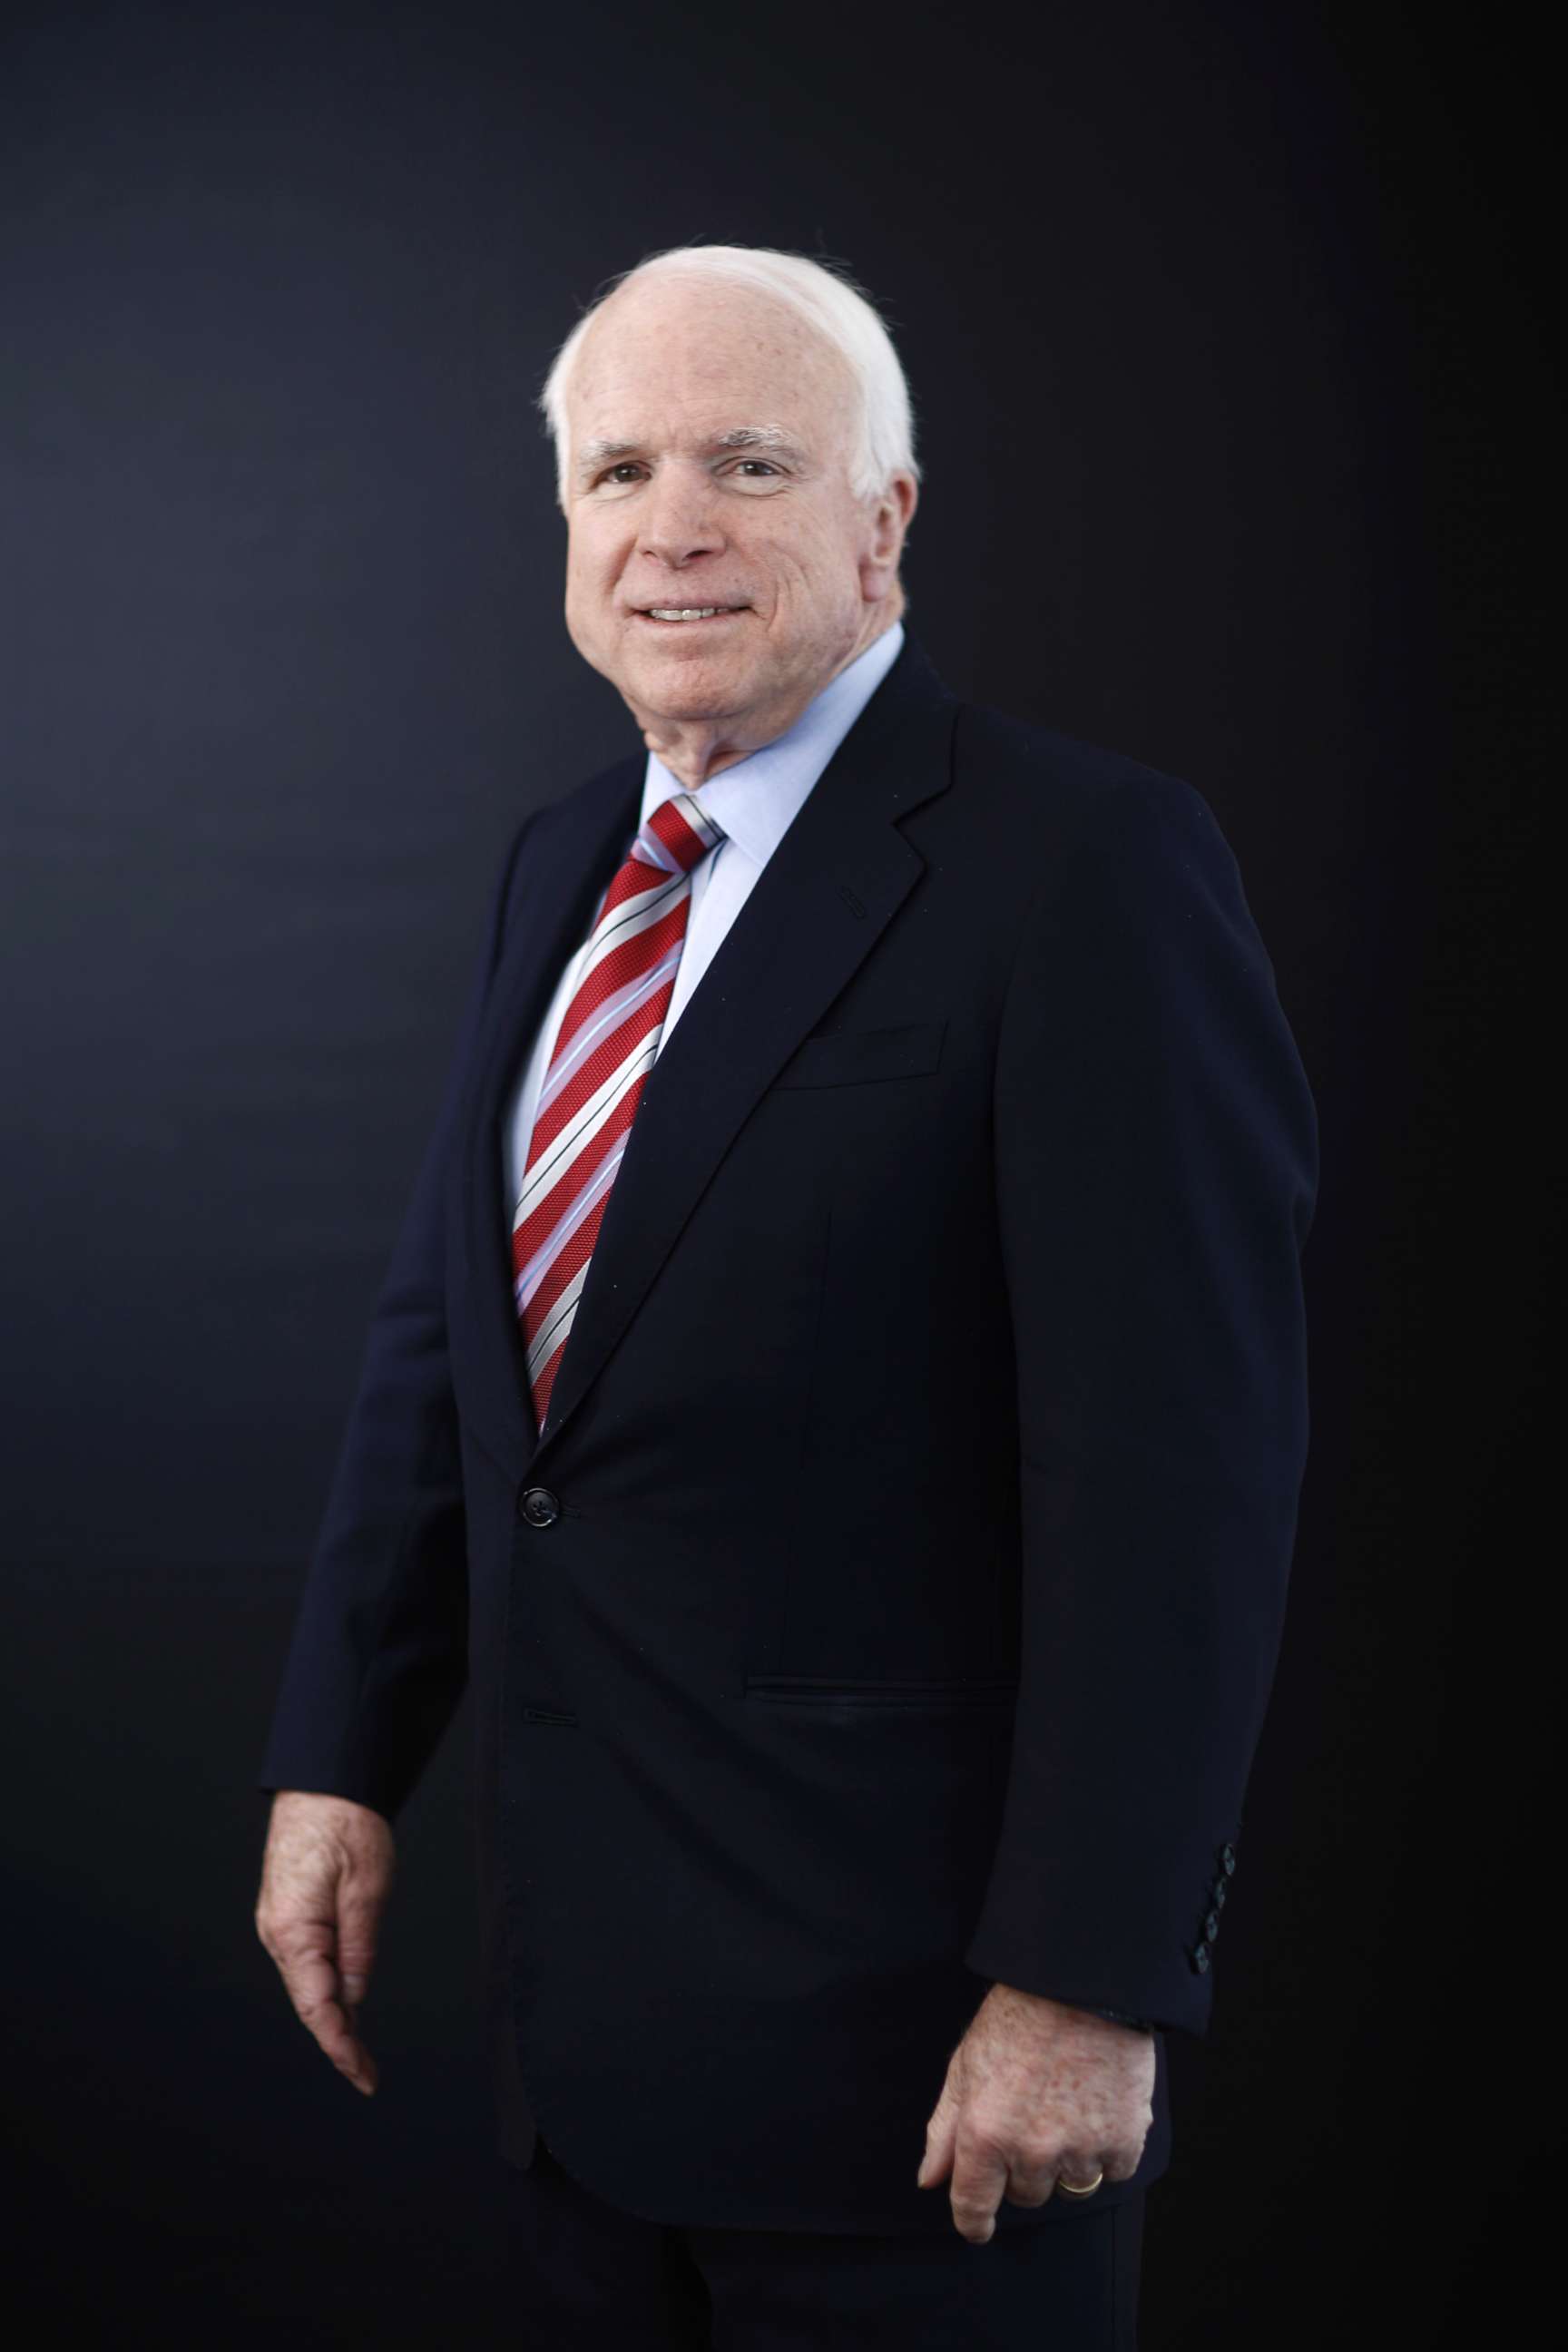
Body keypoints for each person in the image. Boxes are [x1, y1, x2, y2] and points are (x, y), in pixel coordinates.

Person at [254, 241, 1318, 2348]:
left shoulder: (1084, 868)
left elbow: (1178, 1476)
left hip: (931, 2083)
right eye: (618, 469)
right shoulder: (559, 865)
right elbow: (448, 1346)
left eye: (749, 463)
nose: (673, 530)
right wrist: (341, 1753)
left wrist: (1090, 1982)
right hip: (585, 2070)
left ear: (883, 519)